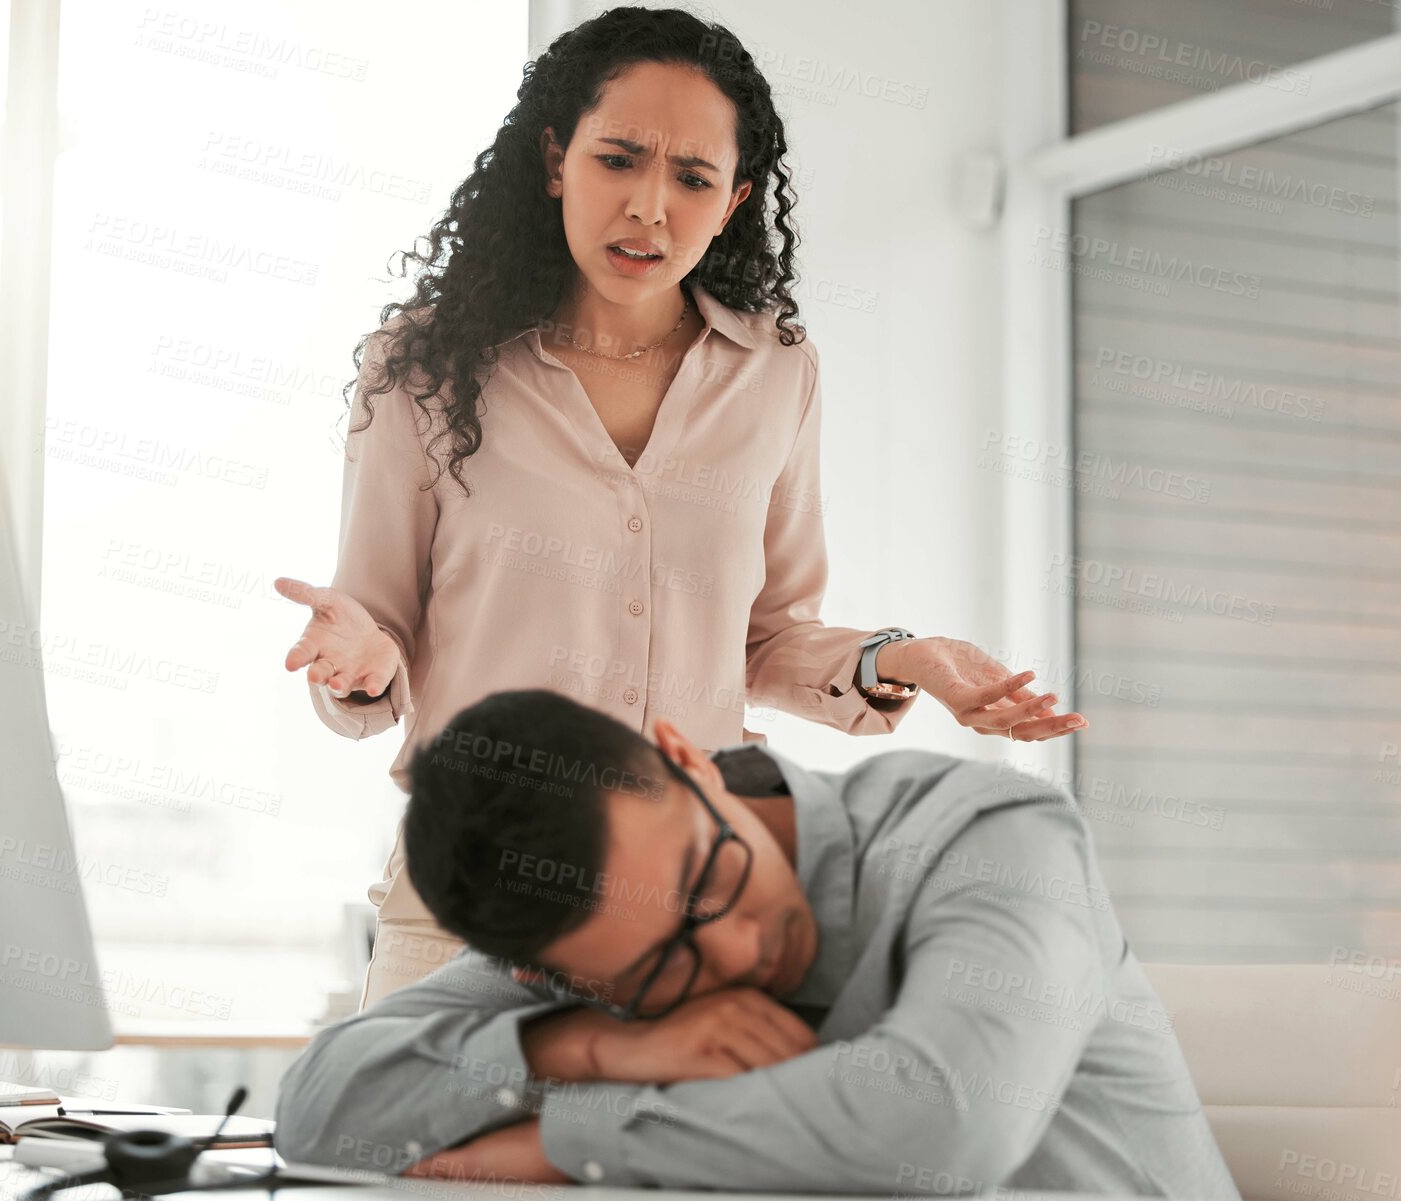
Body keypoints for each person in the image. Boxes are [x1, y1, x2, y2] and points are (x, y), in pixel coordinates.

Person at [276, 6, 1086, 1009]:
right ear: (554, 159)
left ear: (735, 199)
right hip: (473, 894)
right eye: (618, 159)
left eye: (693, 179)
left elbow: (767, 639)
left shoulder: (778, 374)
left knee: (675, 1164)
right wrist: (362, 664)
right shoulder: (426, 365)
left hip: (687, 909)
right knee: (419, 1155)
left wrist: (894, 657)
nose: (650, 208)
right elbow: (375, 630)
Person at [275, 689, 1237, 1199]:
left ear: (684, 759)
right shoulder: (571, 926)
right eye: (662, 967)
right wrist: (584, 1046)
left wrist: (570, 1138)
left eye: (710, 875)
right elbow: (320, 1110)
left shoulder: (989, 834)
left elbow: (948, 1124)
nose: (735, 950)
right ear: (547, 973)